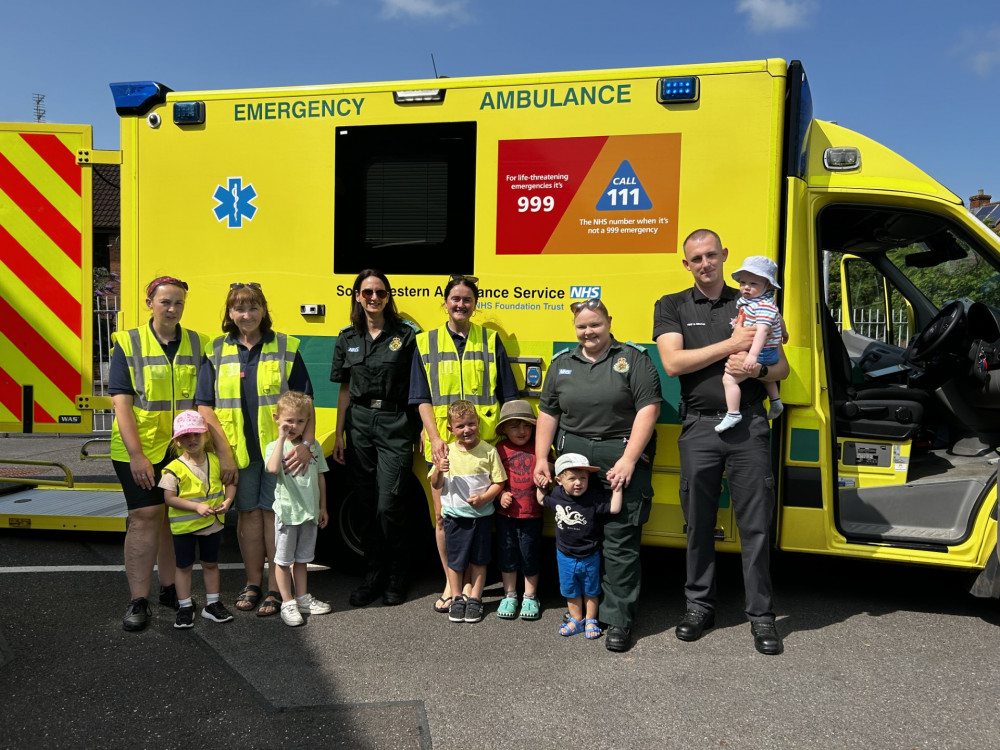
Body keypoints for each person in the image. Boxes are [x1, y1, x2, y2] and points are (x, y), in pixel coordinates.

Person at [652, 228, 789, 655]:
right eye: (697, 258)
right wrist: (731, 344)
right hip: (698, 428)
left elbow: (780, 366)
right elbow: (673, 363)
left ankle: (762, 617)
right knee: (697, 522)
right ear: (686, 264)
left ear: (724, 255)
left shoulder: (751, 299)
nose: (705, 264)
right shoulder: (671, 305)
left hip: (748, 426)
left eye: (712, 255)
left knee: (755, 526)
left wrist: (757, 373)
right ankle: (699, 606)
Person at [533, 298, 662, 653]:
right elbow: (548, 413)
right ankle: (581, 610)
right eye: (582, 326)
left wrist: (630, 459)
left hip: (619, 455)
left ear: (608, 322)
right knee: (576, 533)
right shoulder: (562, 364)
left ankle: (618, 618)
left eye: (595, 324)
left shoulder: (634, 359)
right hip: (572, 459)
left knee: (620, 539)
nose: (588, 332)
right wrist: (541, 458)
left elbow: (648, 409)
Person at [196, 282, 315, 619]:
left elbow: (306, 401)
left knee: (275, 518)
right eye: (238, 309)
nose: (245, 315)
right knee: (247, 516)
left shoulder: (286, 346)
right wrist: (225, 454)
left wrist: (305, 444)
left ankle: (277, 589)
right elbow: (205, 406)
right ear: (229, 314)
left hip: (281, 453)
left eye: (252, 308)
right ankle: (252, 583)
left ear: (264, 310)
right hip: (239, 451)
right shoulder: (216, 349)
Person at [409, 274, 519, 613]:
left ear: (474, 304)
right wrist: (436, 436)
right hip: (443, 447)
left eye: (467, 299)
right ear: (445, 302)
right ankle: (451, 582)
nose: (460, 304)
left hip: (483, 448)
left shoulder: (490, 340)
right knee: (443, 519)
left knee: (478, 518)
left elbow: (508, 393)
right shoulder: (424, 342)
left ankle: (474, 585)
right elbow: (421, 397)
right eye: (455, 298)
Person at [109, 275, 209, 632]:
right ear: (150, 302)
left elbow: (204, 400)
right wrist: (137, 455)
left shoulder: (199, 343)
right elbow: (121, 403)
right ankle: (138, 599)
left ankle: (170, 590)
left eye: (178, 302)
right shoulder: (129, 342)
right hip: (139, 449)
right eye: (165, 301)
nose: (172, 308)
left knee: (174, 520)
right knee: (146, 517)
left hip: (181, 448)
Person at [331, 270, 420, 607]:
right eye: (367, 292)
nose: (373, 298)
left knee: (389, 503)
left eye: (380, 292)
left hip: (395, 422)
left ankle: (399, 571)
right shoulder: (347, 336)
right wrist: (339, 433)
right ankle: (373, 573)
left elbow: (417, 387)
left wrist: (421, 430)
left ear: (388, 297)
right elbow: (343, 388)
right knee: (365, 503)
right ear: (357, 295)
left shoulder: (406, 335)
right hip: (359, 422)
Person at [428, 400, 506, 624]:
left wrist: (484, 498)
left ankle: (475, 598)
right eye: (460, 426)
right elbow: (435, 484)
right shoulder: (447, 453)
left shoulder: (488, 452)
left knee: (480, 560)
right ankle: (457, 597)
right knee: (456, 561)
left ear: (478, 423)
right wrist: (439, 471)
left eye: (471, 424)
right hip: (454, 517)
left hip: (481, 518)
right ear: (450, 430)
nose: (466, 430)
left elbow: (499, 482)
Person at [160, 410, 236, 629]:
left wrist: (229, 500)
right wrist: (196, 506)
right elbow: (169, 498)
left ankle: (212, 604)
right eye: (185, 436)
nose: (191, 439)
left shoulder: (216, 460)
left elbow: (230, 481)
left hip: (212, 525)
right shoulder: (173, 468)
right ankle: (185, 607)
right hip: (184, 528)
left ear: (205, 436)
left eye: (196, 434)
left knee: (210, 564)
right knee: (183, 566)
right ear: (177, 441)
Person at [536, 453, 623, 639]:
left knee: (591, 590)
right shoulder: (557, 495)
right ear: (559, 480)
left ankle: (591, 619)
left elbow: (614, 508)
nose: (578, 483)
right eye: (572, 478)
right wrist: (540, 485)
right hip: (565, 555)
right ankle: (576, 619)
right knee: (570, 589)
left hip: (590, 554)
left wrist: (617, 488)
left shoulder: (592, 497)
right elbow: (542, 500)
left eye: (583, 478)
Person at [265, 391, 332, 627]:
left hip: (309, 513)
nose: (294, 426)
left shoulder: (313, 447)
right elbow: (273, 469)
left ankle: (302, 598)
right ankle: (287, 602)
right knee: (283, 561)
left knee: (302, 559)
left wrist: (323, 507)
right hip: (287, 513)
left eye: (300, 421)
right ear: (277, 418)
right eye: (289, 421)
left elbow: (321, 477)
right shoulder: (275, 446)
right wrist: (282, 439)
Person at [716, 256, 785, 433]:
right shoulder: (761, 303)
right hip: (767, 352)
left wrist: (752, 356)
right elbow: (778, 317)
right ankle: (776, 402)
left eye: (753, 283)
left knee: (729, 378)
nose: (746, 287)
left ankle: (733, 413)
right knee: (765, 377)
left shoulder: (761, 306)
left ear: (767, 286)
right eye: (743, 282)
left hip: (761, 351)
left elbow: (762, 331)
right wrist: (784, 332)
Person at [493, 400, 545, 621]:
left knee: (530, 554)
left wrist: (547, 472)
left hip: (533, 514)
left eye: (526, 425)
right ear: (504, 429)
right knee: (507, 554)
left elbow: (552, 469)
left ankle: (531, 596)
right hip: (506, 515)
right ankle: (510, 594)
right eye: (515, 426)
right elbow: (492, 478)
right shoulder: (500, 449)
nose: (522, 431)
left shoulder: (540, 448)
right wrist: (500, 494)